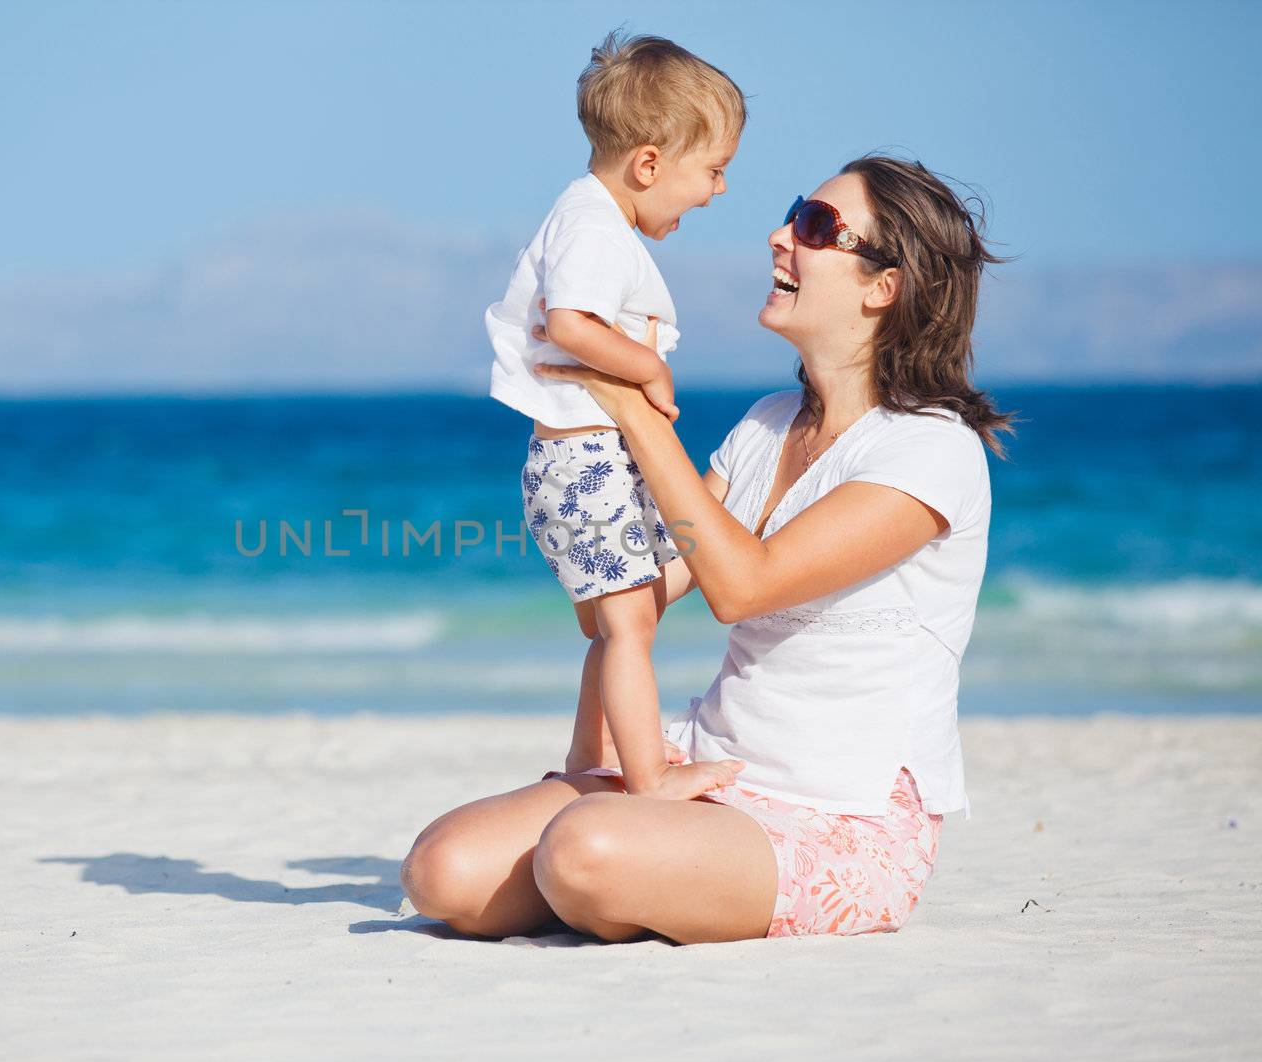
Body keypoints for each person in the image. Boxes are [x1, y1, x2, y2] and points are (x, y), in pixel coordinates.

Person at [403, 154, 1016, 943]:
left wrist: (629, 401)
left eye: (816, 227)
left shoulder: (932, 450)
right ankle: (640, 872)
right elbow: (665, 575)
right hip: (707, 764)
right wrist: (570, 471)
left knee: (582, 850)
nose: (779, 237)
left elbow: (743, 584)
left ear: (882, 286)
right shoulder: (766, 423)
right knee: (441, 870)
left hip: (840, 811)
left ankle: (631, 877)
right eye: (796, 213)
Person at [484, 30, 745, 798]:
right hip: (584, 463)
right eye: (715, 171)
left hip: (586, 462)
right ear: (649, 164)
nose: (720, 191)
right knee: (629, 628)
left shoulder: (591, 217)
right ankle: (648, 776)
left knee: (619, 620)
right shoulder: (594, 226)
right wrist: (649, 366)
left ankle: (583, 761)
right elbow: (571, 324)